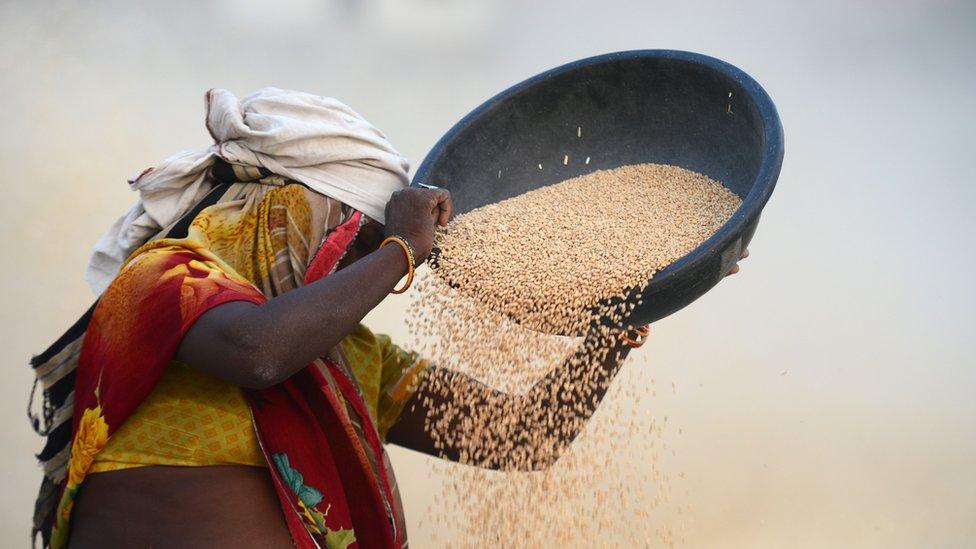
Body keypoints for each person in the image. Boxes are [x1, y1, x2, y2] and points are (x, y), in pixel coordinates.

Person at [28, 88, 746, 548]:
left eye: (365, 247)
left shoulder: (352, 356)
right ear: (279, 209)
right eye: (348, 236)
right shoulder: (164, 276)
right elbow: (255, 352)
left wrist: (619, 315)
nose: (354, 267)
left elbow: (525, 435)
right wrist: (400, 248)